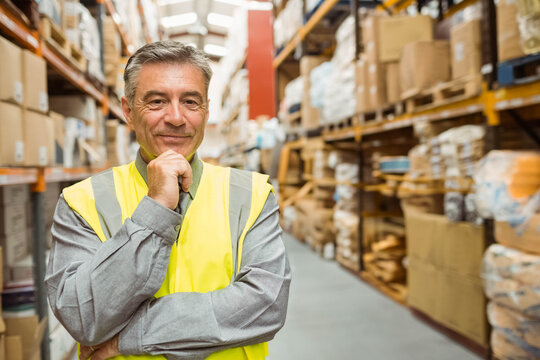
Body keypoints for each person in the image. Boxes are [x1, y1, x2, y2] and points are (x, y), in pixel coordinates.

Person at [45, 41, 291, 360]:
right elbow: (83, 317)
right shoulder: (81, 202)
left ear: (205, 110)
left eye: (190, 101)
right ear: (127, 110)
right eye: (157, 101)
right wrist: (156, 208)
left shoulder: (253, 194)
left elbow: (265, 307)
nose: (176, 117)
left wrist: (127, 338)